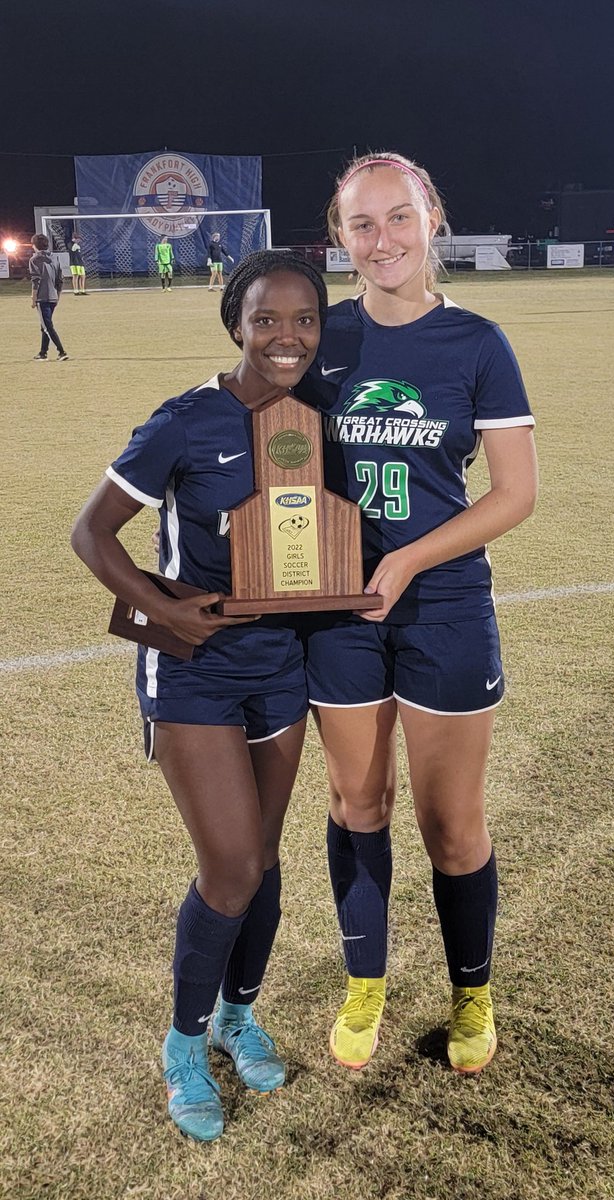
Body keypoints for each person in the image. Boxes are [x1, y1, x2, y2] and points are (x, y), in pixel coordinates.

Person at [71, 250, 328, 1142]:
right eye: (267, 320)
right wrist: (165, 610)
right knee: (231, 866)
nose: (287, 337)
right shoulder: (186, 420)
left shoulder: (316, 419)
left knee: (264, 858)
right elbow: (91, 531)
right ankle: (184, 1043)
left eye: (304, 320)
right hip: (193, 669)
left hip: (282, 665)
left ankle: (236, 1016)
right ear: (236, 326)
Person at [296, 152, 538, 1076]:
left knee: (451, 823)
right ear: (340, 236)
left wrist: (406, 559)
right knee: (358, 801)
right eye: (362, 223)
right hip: (338, 609)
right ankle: (366, 982)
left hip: (442, 605)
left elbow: (514, 493)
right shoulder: (322, 337)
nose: (382, 239)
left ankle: (472, 992)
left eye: (399, 217)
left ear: (431, 218)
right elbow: (273, 452)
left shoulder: (478, 342)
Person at [29, 233, 68, 361]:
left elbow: (35, 280)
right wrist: (58, 296)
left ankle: (61, 352)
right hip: (53, 297)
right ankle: (43, 353)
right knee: (45, 325)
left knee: (47, 327)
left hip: (42, 298)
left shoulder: (34, 260)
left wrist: (33, 298)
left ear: (35, 245)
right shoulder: (55, 258)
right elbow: (60, 280)